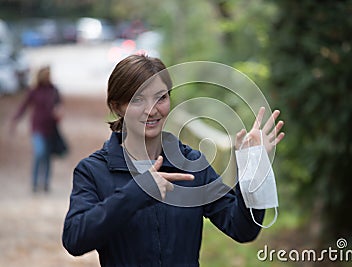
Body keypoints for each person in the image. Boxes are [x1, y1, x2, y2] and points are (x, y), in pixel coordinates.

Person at [62, 55, 285, 266]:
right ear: (117, 106)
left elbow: (242, 229)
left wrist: (252, 167)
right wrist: (138, 191)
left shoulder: (192, 164)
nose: (152, 109)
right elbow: (75, 239)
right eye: (137, 99)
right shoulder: (93, 171)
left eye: (161, 97)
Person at [10, 65, 64, 193]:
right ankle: (35, 182)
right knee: (39, 152)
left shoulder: (53, 90)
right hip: (37, 127)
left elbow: (59, 105)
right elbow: (24, 106)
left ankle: (45, 183)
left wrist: (58, 113)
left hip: (51, 127)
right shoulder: (34, 90)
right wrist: (15, 120)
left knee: (47, 156)